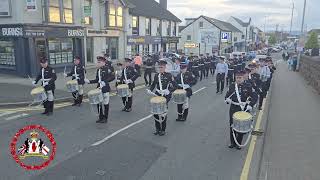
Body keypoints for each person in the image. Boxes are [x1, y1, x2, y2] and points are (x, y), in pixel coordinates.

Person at [225, 71, 257, 150]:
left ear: (243, 78)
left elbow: (255, 97)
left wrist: (250, 105)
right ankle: (232, 142)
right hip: (234, 107)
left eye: (240, 78)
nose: (238, 79)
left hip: (244, 108)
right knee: (232, 125)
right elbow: (227, 95)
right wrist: (227, 100)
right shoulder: (232, 86)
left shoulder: (248, 86)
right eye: (237, 78)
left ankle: (238, 143)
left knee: (241, 126)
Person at [85, 56, 115, 123]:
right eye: (97, 62)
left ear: (103, 62)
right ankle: (100, 117)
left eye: (99, 62)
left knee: (105, 103)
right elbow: (97, 80)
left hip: (105, 89)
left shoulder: (107, 69)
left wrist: (105, 81)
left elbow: (112, 77)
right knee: (99, 103)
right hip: (99, 89)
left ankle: (105, 118)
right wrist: (89, 81)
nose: (98, 63)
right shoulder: (98, 70)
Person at [147, 60, 174, 136]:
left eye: (162, 67)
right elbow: (153, 84)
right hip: (157, 95)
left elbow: (175, 85)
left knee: (163, 113)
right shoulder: (156, 75)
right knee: (155, 112)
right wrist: (150, 90)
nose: (160, 68)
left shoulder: (169, 75)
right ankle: (158, 128)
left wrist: (169, 91)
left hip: (165, 96)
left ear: (165, 67)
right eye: (159, 67)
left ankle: (163, 129)